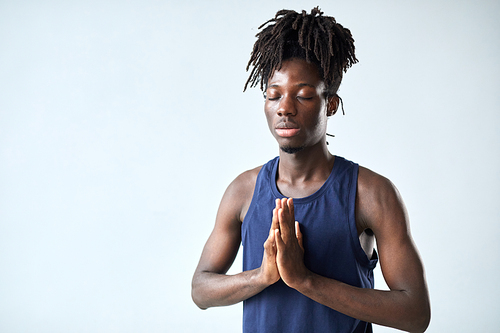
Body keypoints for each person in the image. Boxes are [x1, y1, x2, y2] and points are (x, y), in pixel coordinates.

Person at [192, 7, 430, 333]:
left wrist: (305, 280)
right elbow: (201, 290)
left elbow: (415, 313)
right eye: (273, 95)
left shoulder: (372, 194)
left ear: (330, 103)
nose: (285, 108)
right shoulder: (242, 191)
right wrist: (262, 276)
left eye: (303, 95)